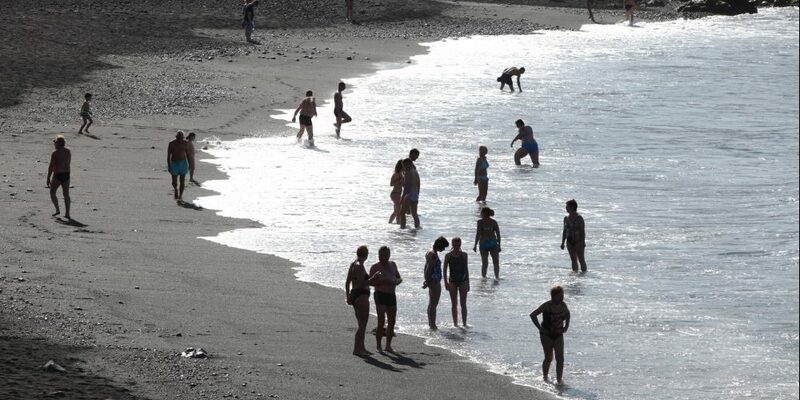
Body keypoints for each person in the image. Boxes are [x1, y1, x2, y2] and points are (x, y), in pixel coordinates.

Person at [530, 285, 571, 385]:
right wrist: (539, 328)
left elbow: (568, 314)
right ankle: (545, 378)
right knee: (549, 357)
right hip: (546, 335)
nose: (562, 298)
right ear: (553, 296)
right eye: (560, 296)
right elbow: (533, 315)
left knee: (560, 358)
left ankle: (559, 381)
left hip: (558, 335)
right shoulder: (546, 306)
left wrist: (566, 326)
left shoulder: (563, 305)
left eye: (563, 296)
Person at [368, 246, 402, 353]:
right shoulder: (375, 267)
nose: (384, 257)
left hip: (391, 294)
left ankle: (388, 345)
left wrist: (396, 281)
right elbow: (370, 282)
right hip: (380, 294)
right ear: (378, 255)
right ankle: (379, 346)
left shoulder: (393, 264)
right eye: (382, 255)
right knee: (381, 320)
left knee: (392, 321)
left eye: (386, 255)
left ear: (389, 255)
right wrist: (380, 281)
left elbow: (399, 278)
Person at [345, 245, 372, 356]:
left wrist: (348, 295)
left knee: (361, 323)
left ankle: (362, 347)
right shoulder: (360, 266)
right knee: (362, 324)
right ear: (366, 255)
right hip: (361, 295)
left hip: (354, 294)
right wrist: (372, 279)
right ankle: (357, 349)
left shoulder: (353, 264)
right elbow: (361, 284)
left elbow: (347, 283)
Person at [422, 236, 449, 330]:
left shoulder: (430, 251)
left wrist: (426, 280)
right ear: (440, 246)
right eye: (444, 247)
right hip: (434, 281)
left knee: (431, 303)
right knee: (434, 304)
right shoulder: (433, 255)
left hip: (432, 280)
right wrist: (428, 281)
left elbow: (425, 267)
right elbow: (428, 268)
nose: (444, 249)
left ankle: (431, 323)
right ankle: (432, 324)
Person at [443, 237, 469, 327]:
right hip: (452, 281)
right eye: (455, 245)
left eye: (458, 245)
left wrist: (468, 283)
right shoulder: (448, 255)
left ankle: (464, 324)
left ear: (460, 244)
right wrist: (445, 282)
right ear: (452, 245)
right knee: (454, 304)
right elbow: (444, 269)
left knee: (463, 304)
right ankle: (455, 324)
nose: (456, 246)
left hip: (463, 281)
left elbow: (466, 269)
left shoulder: (464, 255)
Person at [47, 135, 72, 219]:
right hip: (66, 174)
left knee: (52, 192)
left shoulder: (55, 153)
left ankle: (57, 209)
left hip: (58, 174)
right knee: (66, 194)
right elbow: (68, 162)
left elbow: (51, 166)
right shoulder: (68, 151)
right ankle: (67, 213)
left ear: (57, 143)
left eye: (55, 142)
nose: (54, 144)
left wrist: (48, 177)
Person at [473, 207, 501, 280]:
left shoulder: (480, 222)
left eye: (481, 212)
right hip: (493, 242)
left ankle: (484, 278)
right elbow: (498, 234)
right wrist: (499, 245)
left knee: (485, 263)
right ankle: (497, 277)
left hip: (483, 243)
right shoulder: (494, 222)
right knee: (496, 262)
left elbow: (478, 234)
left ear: (484, 213)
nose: (480, 214)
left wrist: (475, 245)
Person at [561, 199, 587, 272]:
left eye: (567, 206)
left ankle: (584, 276)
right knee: (573, 260)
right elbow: (564, 231)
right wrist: (562, 242)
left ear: (572, 207)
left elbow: (582, 231)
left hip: (578, 241)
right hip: (569, 242)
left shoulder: (579, 218)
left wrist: (583, 242)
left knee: (581, 259)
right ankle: (574, 277)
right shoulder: (566, 218)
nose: (566, 208)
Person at [167, 131, 191, 201]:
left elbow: (188, 154)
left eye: (181, 138)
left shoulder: (185, 143)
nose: (180, 139)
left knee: (182, 181)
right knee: (174, 182)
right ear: (176, 137)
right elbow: (168, 156)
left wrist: (189, 164)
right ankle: (175, 189)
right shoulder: (171, 144)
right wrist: (169, 165)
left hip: (183, 163)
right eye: (178, 138)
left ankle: (180, 196)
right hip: (174, 163)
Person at [399, 158, 420, 229]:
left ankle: (402, 229)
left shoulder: (408, 173)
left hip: (409, 194)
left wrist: (402, 199)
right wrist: (417, 195)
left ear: (408, 164)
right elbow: (419, 184)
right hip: (415, 194)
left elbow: (406, 188)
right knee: (414, 214)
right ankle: (417, 228)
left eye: (404, 165)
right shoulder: (416, 172)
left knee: (402, 213)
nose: (404, 167)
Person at [388, 159, 404, 224]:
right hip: (395, 194)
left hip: (399, 194)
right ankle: (399, 226)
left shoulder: (402, 174)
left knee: (395, 212)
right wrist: (399, 181)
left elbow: (403, 185)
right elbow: (391, 184)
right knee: (398, 212)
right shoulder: (396, 174)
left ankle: (389, 223)